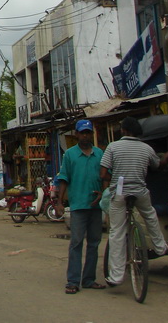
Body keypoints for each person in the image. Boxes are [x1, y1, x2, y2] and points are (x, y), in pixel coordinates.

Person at [100, 117, 168, 287]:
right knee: (150, 215)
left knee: (117, 232)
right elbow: (157, 166)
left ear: (123, 130)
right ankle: (160, 247)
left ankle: (116, 277)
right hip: (139, 191)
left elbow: (102, 174)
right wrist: (165, 159)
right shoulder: (146, 148)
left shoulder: (113, 147)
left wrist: (114, 179)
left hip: (120, 192)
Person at [56, 119, 106, 294]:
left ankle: (89, 279)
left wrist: (103, 193)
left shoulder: (100, 154)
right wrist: (59, 202)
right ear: (77, 134)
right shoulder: (70, 155)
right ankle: (73, 281)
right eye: (82, 132)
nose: (85, 135)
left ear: (91, 134)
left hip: (96, 206)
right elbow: (64, 179)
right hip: (78, 205)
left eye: (88, 132)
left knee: (94, 243)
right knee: (76, 243)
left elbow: (106, 177)